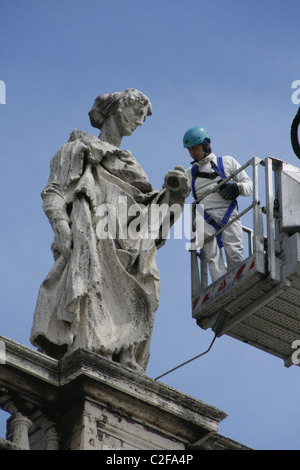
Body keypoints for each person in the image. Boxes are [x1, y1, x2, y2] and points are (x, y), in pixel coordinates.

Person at [30, 89, 189, 372]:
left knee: (146, 292)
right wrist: (61, 227)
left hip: (127, 245)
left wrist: (174, 196)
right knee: (91, 293)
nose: (139, 122)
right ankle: (87, 351)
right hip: (92, 236)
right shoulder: (78, 149)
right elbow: (54, 192)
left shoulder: (132, 167)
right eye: (136, 113)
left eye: (143, 117)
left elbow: (150, 219)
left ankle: (125, 357)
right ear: (117, 110)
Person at [184, 126, 253, 282]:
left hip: (226, 211)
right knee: (211, 256)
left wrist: (236, 187)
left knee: (234, 251)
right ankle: (221, 285)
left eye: (195, 148)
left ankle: (239, 281)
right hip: (203, 215)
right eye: (189, 149)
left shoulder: (227, 162)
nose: (192, 152)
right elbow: (176, 193)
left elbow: (250, 186)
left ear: (206, 145)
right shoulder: (190, 173)